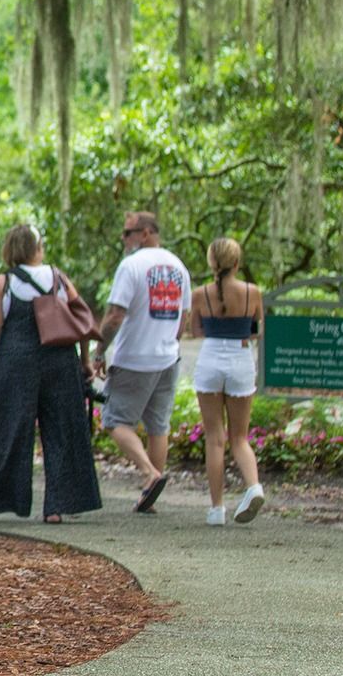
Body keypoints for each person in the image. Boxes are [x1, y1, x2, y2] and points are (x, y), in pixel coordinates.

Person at [0, 224, 103, 524]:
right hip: (60, 362)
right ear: (37, 249)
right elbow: (81, 320)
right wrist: (84, 361)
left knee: (9, 430)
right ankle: (57, 506)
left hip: (17, 363)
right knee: (62, 431)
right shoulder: (59, 278)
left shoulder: (3, 283)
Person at [92, 210, 190, 513]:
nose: (123, 239)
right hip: (167, 357)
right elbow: (184, 316)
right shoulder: (179, 266)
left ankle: (149, 473)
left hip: (134, 358)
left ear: (145, 233)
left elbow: (114, 315)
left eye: (127, 233)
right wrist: (169, 342)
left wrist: (99, 351)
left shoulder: (131, 265)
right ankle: (149, 496)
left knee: (115, 420)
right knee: (158, 426)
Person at [188, 236, 267, 525]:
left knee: (214, 438)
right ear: (237, 263)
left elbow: (195, 331)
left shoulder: (200, 294)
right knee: (239, 437)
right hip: (240, 359)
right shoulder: (252, 292)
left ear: (211, 262)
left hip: (211, 358)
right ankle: (253, 486)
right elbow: (257, 330)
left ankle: (216, 509)